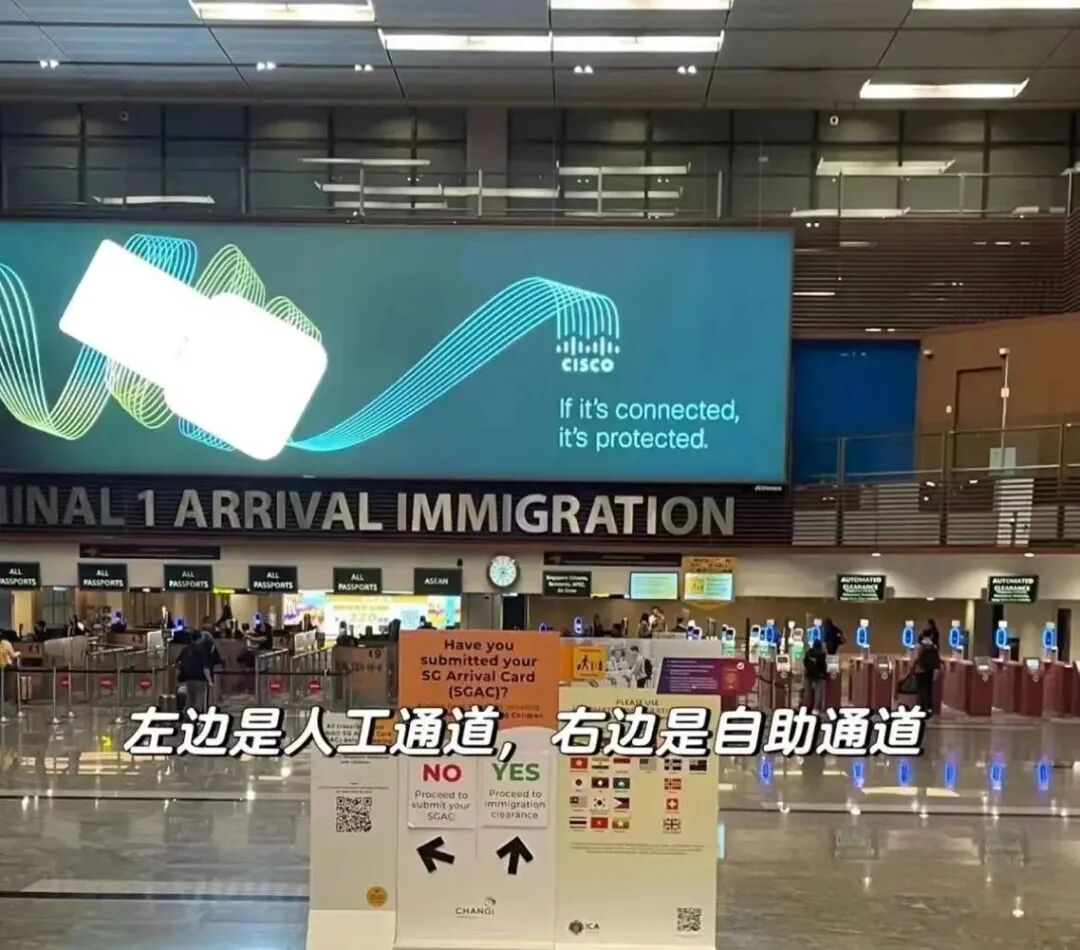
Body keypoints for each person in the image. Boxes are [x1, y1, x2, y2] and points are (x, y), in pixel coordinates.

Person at [176, 636, 211, 715]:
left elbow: (177, 662)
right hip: (200, 679)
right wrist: (209, 680)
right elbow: (205, 667)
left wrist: (182, 670)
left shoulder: (185, 649)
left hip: (188, 679)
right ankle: (196, 717)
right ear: (199, 639)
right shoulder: (201, 650)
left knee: (190, 699)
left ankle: (186, 716)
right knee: (199, 699)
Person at [912, 632, 940, 717]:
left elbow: (915, 659)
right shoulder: (933, 647)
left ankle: (921, 707)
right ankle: (929, 708)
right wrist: (936, 670)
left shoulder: (919, 646)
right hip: (930, 671)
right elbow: (936, 659)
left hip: (920, 670)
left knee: (921, 689)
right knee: (929, 690)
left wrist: (912, 668)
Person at [803, 637, 828, 712]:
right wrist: (824, 674)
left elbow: (805, 662)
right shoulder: (822, 653)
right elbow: (823, 665)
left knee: (807, 692)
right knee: (818, 692)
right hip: (818, 675)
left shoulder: (809, 652)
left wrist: (808, 669)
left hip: (808, 674)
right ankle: (816, 708)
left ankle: (807, 708)